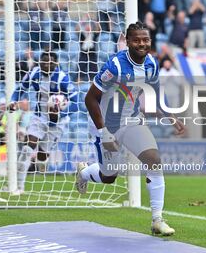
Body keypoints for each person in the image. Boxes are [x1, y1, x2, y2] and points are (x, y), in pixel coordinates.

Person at [76, 21, 185, 236]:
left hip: (132, 120)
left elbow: (153, 95)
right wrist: (104, 132)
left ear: (150, 41)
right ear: (128, 42)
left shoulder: (152, 64)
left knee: (153, 159)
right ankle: (84, 173)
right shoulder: (115, 66)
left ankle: (157, 219)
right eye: (136, 40)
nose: (141, 43)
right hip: (106, 123)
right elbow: (90, 99)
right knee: (109, 176)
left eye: (145, 39)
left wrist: (170, 116)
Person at [8, 50, 78, 194]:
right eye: (44, 62)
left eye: (50, 62)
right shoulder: (34, 73)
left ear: (56, 63)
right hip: (39, 117)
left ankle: (41, 164)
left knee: (42, 156)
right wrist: (13, 102)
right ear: (40, 62)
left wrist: (59, 114)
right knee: (27, 149)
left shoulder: (62, 79)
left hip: (58, 122)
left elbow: (76, 103)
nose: (46, 65)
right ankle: (18, 187)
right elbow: (20, 89)